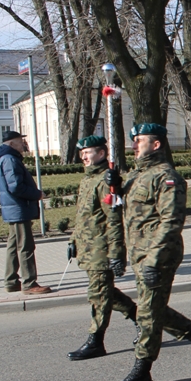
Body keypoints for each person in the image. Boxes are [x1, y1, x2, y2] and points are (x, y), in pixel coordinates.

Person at [107, 123, 191, 381]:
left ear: (156, 144)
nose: (134, 144)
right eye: (134, 140)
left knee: (147, 313)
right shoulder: (138, 175)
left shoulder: (167, 177)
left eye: (140, 140)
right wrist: (115, 186)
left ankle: (142, 371)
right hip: (139, 253)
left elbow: (172, 222)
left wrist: (154, 260)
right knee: (153, 307)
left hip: (158, 255)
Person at [65, 134, 139, 360]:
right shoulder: (87, 180)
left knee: (98, 294)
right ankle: (142, 318)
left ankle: (95, 340)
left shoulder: (107, 182)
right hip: (87, 248)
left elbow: (113, 220)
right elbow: (84, 216)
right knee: (106, 293)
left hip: (101, 249)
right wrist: (73, 240)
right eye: (82, 154)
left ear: (101, 153)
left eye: (87, 153)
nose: (84, 157)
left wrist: (116, 254)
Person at [0, 130, 51, 294]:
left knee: (13, 246)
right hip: (19, 208)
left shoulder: (5, 158)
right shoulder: (10, 159)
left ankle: (11, 281)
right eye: (20, 141)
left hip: (14, 209)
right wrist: (37, 194)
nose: (23, 144)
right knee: (25, 246)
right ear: (11, 144)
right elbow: (16, 186)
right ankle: (29, 283)